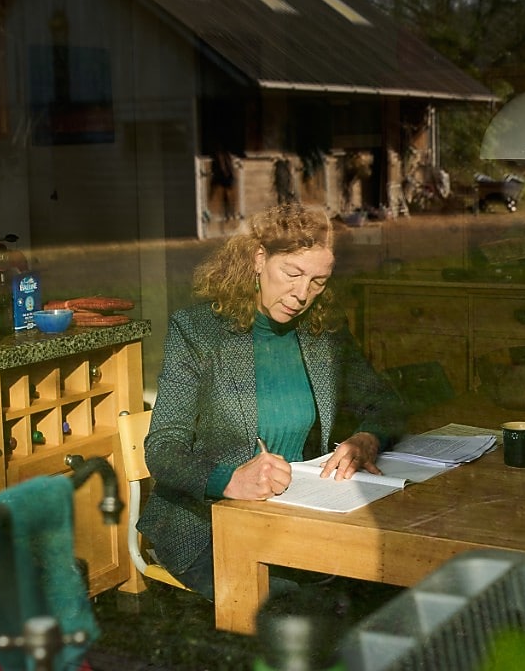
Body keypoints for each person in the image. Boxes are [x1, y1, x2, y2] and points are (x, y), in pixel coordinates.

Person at [138, 203, 406, 600]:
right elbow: (162, 449)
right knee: (292, 608)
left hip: (295, 516)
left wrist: (368, 437)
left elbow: (385, 402)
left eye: (318, 282)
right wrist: (229, 479)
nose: (302, 295)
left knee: (379, 585)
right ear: (258, 258)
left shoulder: (323, 331)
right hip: (206, 524)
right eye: (293, 274)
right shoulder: (196, 333)